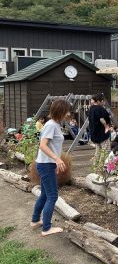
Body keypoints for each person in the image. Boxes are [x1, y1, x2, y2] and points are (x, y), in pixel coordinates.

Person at [31, 99, 70, 236]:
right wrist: (57, 159)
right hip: (46, 164)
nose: (68, 114)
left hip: (47, 164)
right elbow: (42, 145)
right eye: (67, 111)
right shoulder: (51, 125)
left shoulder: (54, 124)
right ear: (61, 111)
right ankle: (46, 228)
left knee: (45, 194)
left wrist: (55, 161)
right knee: (52, 196)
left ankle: (35, 220)